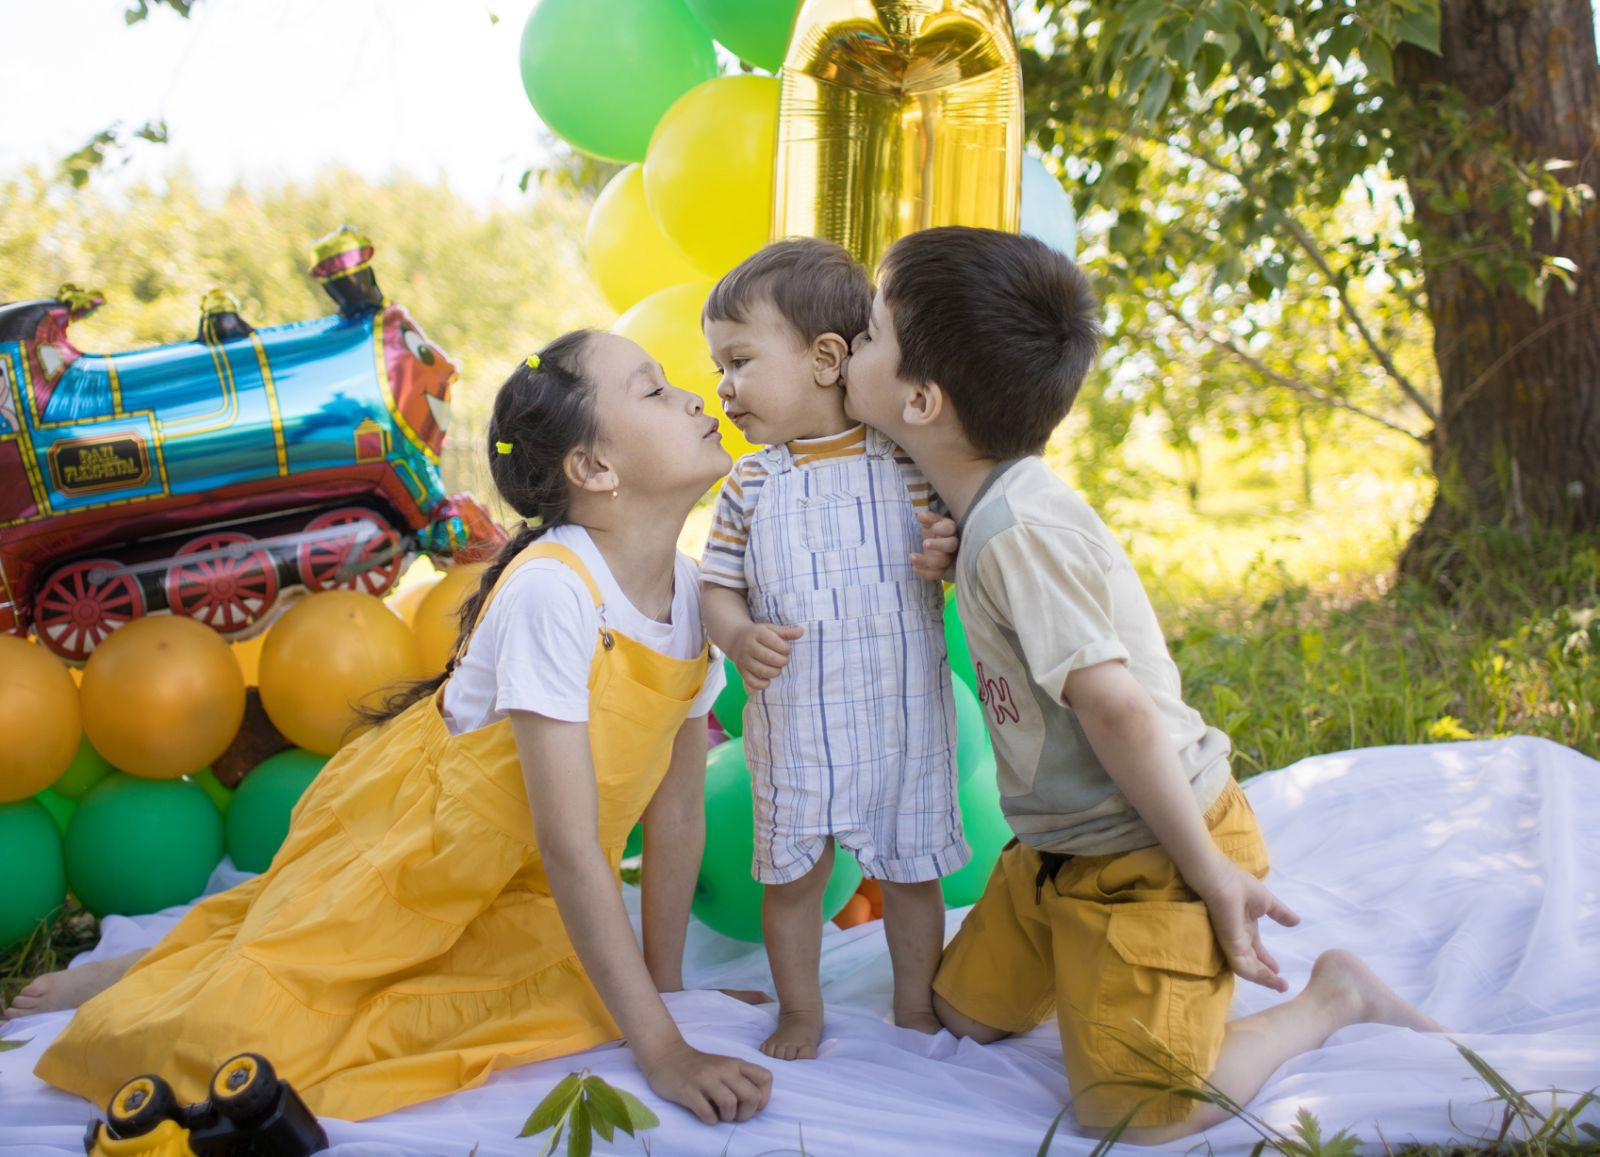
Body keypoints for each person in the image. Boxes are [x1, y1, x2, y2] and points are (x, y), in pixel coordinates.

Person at [22, 331, 774, 1127]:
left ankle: (188, 956)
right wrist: (661, 1049)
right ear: (593, 469)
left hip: (518, 881)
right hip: (414, 851)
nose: (695, 396)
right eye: (654, 390)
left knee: (548, 1001)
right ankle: (145, 975)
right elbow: (568, 841)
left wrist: (666, 996)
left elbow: (678, 811)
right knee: (236, 1041)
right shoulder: (556, 591)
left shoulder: (691, 593)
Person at [839, 226, 1448, 1143]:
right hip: (1057, 853)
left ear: (923, 398)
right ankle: (1095, 971)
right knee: (960, 1016)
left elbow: (1116, 707)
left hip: (1158, 855)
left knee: (1137, 1115)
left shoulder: (1019, 536)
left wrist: (1209, 875)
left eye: (871, 334)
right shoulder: (990, 511)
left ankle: (1329, 998)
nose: (850, 344)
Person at [698, 239, 965, 1061]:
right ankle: (801, 1010)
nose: (723, 386)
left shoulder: (908, 463)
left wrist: (945, 554)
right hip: (799, 725)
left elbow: (963, 541)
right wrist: (738, 633)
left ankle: (914, 1005)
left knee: (914, 873)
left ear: (823, 358)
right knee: (793, 880)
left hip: (901, 715)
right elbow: (715, 585)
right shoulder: (752, 484)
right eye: (719, 365)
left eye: (739, 359)